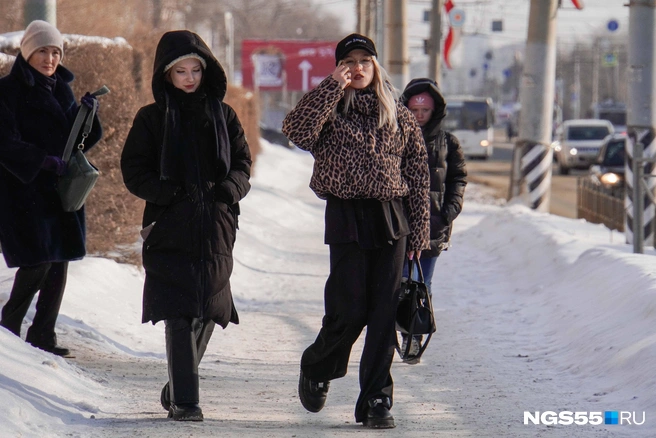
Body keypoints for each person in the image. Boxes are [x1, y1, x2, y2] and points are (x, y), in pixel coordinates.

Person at [282, 33, 430, 429]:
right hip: (346, 217)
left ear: (376, 66)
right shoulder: (329, 110)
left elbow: (417, 174)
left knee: (383, 313)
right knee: (347, 309)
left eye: (365, 60)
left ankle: (377, 399)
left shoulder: (399, 115)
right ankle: (316, 367)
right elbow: (295, 130)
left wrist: (418, 235)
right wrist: (332, 86)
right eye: (349, 61)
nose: (358, 67)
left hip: (391, 219)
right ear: (339, 68)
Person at [120, 30, 251, 422]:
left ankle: (180, 381)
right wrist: (169, 194)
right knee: (178, 308)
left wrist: (228, 191)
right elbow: (133, 170)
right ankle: (186, 401)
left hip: (215, 224)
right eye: (181, 71)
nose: (190, 77)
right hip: (169, 223)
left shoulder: (224, 114)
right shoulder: (152, 118)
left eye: (196, 69)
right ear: (167, 74)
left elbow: (243, 163)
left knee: (210, 306)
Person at [0, 20, 102, 357]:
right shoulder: (7, 92)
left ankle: (43, 333)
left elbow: (77, 143)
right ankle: (8, 331)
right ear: (27, 51)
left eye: (56, 51)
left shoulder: (61, 89)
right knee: (37, 262)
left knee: (59, 262)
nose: (50, 58)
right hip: (23, 192)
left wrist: (88, 116)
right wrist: (42, 160)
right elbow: (4, 143)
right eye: (43, 50)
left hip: (60, 192)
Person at [399, 78, 467, 364]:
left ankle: (414, 334)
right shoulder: (395, 136)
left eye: (425, 110)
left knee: (422, 284)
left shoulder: (448, 142)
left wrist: (449, 210)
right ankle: (402, 330)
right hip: (400, 225)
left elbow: (458, 179)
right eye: (414, 109)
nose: (419, 115)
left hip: (434, 226)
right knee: (401, 282)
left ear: (435, 110)